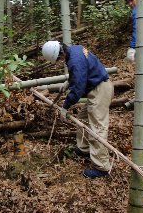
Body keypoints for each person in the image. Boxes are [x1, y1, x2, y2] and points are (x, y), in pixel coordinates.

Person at [42, 41, 114, 178]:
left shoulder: (74, 60)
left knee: (97, 128)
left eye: (58, 59)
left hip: (100, 90)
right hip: (98, 87)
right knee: (83, 118)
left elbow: (79, 88)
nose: (59, 61)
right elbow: (82, 72)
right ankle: (84, 149)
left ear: (60, 53)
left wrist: (66, 106)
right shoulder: (75, 50)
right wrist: (69, 82)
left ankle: (102, 167)